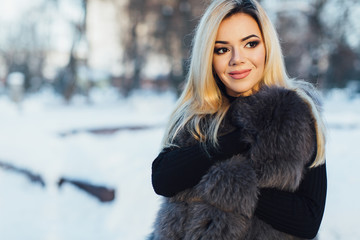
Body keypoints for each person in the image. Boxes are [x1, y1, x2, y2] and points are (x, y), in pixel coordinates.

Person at [149, 0, 327, 239]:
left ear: (267, 46)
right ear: (208, 57)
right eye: (222, 49)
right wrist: (235, 141)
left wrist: (228, 184)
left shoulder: (294, 114)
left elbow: (308, 219)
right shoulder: (194, 116)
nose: (237, 59)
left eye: (250, 44)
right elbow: (163, 180)